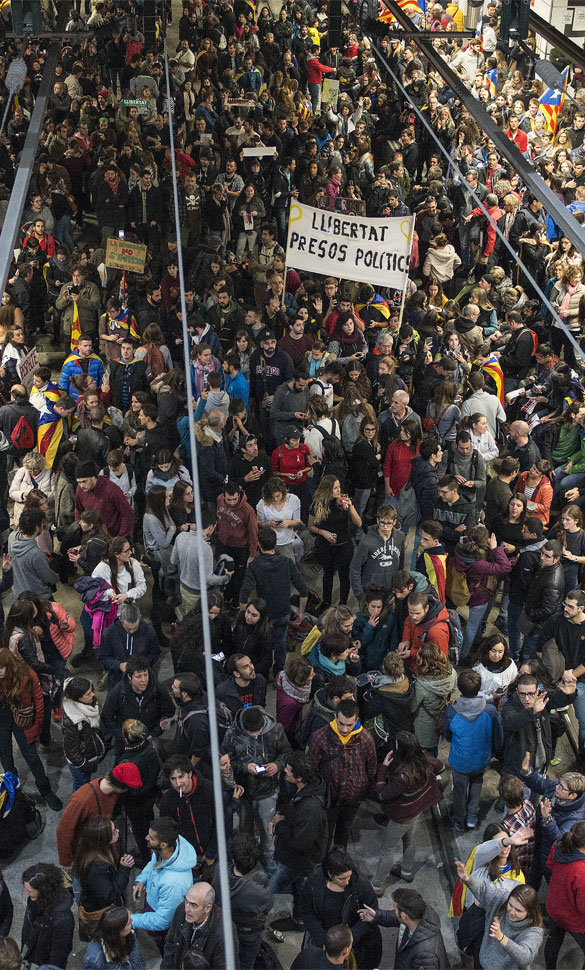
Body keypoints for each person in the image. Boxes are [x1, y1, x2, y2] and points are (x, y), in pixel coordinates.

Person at [372, 730, 443, 892]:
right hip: (416, 811)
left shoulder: (403, 777)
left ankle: (377, 885)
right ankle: (406, 871)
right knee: (409, 841)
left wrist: (383, 768)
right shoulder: (425, 761)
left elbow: (383, 794)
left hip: (401, 817)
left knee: (387, 850)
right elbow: (441, 766)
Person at [223, 704, 291, 868]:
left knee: (267, 825)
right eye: (250, 734)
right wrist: (245, 767)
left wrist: (277, 765)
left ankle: (268, 855)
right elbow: (226, 761)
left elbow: (286, 751)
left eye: (258, 732)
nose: (255, 736)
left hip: (268, 789)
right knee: (245, 826)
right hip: (243, 790)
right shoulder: (232, 734)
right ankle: (246, 855)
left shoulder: (275, 730)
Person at [269, 751, 329, 931]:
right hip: (294, 859)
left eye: (288, 770)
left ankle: (298, 921)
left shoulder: (311, 809)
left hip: (301, 863)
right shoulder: (305, 790)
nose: (284, 772)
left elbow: (300, 843)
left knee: (298, 891)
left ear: (300, 777)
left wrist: (278, 825)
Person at [308, 698, 377, 848]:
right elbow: (311, 770)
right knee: (325, 833)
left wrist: (365, 790)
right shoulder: (319, 738)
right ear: (335, 717)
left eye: (349, 725)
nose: (344, 729)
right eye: (341, 724)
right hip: (328, 798)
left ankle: (339, 861)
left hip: (353, 798)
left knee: (344, 831)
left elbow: (371, 768)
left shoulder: (365, 739)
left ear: (356, 720)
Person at [239, 527, 308, 675]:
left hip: (263, 615)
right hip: (283, 612)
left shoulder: (255, 565)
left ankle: (261, 673)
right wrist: (300, 613)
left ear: (259, 544)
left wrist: (244, 615)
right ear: (275, 543)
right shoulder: (287, 563)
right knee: (280, 643)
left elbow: (244, 594)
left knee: (263, 644)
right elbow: (303, 590)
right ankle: (278, 673)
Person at [0, 647, 61, 809]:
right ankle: (13, 790)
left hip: (23, 722)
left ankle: (46, 791)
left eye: (2, 667)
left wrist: (37, 726)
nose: (0, 672)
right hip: (2, 721)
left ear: (9, 665)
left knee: (32, 758)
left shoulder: (26, 673)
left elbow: (39, 702)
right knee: (5, 756)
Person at [301, 850, 382, 970]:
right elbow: (307, 912)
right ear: (329, 874)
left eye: (349, 876)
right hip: (325, 937)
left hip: (356, 940)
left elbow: (371, 915)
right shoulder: (314, 883)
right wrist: (325, 941)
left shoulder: (361, 885)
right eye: (342, 879)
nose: (347, 881)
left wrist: (348, 941)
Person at [443, 668, 503, 832]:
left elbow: (447, 735)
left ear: (460, 688)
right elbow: (498, 735)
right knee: (477, 783)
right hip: (481, 759)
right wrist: (495, 752)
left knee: (459, 791)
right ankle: (472, 817)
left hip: (460, 761)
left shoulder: (451, 712)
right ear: (479, 687)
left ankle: (460, 821)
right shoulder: (489, 711)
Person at [454, 861, 543, 970]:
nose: (512, 912)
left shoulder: (533, 931)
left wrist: (501, 938)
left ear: (529, 911)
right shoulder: (502, 900)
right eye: (511, 905)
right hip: (482, 964)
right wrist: (467, 879)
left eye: (518, 911)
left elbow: (526, 958)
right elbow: (483, 890)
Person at [56, 763, 143, 870]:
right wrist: (66, 862)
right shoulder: (81, 800)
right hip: (84, 850)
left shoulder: (112, 793)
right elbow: (63, 831)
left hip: (98, 845)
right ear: (121, 788)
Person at [130, 816, 198, 949]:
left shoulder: (174, 884)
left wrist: (132, 919)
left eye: (151, 837)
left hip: (162, 931)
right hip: (151, 908)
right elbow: (153, 864)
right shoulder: (165, 851)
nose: (146, 838)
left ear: (163, 844)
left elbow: (162, 921)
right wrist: (141, 880)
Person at [212, 832, 273, 970]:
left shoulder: (219, 870)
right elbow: (269, 903)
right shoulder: (257, 892)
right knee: (246, 964)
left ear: (233, 859)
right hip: (247, 933)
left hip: (222, 927)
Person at [358, 887, 449, 970]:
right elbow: (396, 918)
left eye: (395, 909)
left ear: (404, 916)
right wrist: (376, 916)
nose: (394, 911)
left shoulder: (425, 956)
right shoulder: (418, 912)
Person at [73, 818, 135, 940]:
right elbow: (109, 895)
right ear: (103, 839)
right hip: (101, 913)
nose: (117, 831)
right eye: (113, 832)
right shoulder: (94, 869)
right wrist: (124, 869)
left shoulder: (102, 849)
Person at [101, 659, 174, 756]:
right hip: (126, 743)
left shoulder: (157, 690)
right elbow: (106, 716)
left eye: (146, 675)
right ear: (129, 677)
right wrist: (122, 736)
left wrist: (155, 733)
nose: (143, 680)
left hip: (150, 739)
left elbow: (169, 712)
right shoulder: (119, 691)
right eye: (138, 676)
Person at [308, 476, 361, 610]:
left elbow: (358, 523)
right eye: (335, 488)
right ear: (327, 489)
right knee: (328, 573)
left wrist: (351, 507)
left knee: (344, 575)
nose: (339, 490)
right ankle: (326, 602)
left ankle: (343, 603)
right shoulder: (318, 504)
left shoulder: (343, 501)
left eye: (339, 487)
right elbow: (311, 526)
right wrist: (323, 532)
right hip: (326, 546)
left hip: (344, 545)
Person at [161, 882, 238, 970]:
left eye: (194, 905)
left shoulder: (224, 933)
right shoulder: (181, 910)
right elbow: (170, 947)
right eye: (186, 901)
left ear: (207, 908)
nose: (187, 909)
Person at [159, 756, 217, 868]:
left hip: (214, 853)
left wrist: (211, 853)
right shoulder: (167, 801)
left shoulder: (209, 790)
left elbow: (220, 822)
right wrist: (187, 855)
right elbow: (169, 833)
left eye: (181, 777)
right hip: (187, 857)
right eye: (173, 779)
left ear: (190, 774)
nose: (178, 783)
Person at [545, 820, 585, 968]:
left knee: (553, 940)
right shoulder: (581, 871)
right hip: (574, 919)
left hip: (555, 908)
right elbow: (583, 906)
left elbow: (549, 865)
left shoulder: (558, 847)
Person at [21, 863, 74, 969]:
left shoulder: (63, 919)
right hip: (33, 953)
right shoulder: (34, 900)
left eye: (29, 890)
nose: (25, 892)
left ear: (44, 891)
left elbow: (58, 955)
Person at [98, 603, 160, 692]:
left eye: (135, 628)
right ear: (120, 619)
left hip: (141, 677)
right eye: (128, 629)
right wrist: (118, 665)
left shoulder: (148, 630)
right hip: (117, 678)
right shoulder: (109, 633)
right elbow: (102, 657)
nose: (132, 632)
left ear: (139, 618)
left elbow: (155, 653)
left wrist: (142, 665)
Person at [62, 675, 105, 791]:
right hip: (81, 764)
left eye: (91, 691)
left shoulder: (87, 705)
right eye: (88, 694)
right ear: (78, 698)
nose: (93, 695)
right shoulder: (73, 721)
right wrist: (85, 766)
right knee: (81, 788)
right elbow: (71, 751)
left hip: (88, 754)